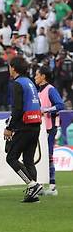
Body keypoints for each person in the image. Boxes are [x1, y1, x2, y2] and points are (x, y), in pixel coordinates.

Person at [4, 56, 44, 203]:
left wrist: (9, 127)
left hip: (24, 126)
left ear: (13, 68)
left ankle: (32, 185)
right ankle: (33, 195)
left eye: (9, 66)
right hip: (36, 125)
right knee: (28, 160)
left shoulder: (17, 84)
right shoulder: (30, 82)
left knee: (11, 157)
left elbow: (17, 108)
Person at [35, 66, 65, 196]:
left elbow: (60, 105)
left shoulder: (50, 89)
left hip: (50, 127)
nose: (35, 77)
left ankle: (52, 186)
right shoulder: (38, 91)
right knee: (40, 156)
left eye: (37, 75)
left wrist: (45, 110)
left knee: (48, 156)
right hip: (41, 128)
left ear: (43, 76)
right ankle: (40, 185)